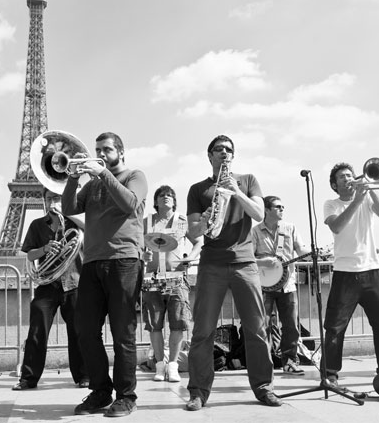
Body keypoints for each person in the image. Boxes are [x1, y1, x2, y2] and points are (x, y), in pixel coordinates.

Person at [185, 135, 282, 411]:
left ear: (233, 156)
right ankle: (198, 392)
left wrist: (236, 191)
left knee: (257, 328)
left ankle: (264, 386)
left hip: (244, 263)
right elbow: (193, 232)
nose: (224, 153)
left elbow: (260, 214)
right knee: (203, 331)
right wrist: (204, 219)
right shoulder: (197, 189)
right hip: (211, 264)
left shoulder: (248, 180)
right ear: (210, 156)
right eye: (219, 150)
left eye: (229, 150)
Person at [62, 132, 147, 417]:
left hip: (124, 261)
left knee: (123, 333)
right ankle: (100, 391)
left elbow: (130, 204)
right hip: (93, 262)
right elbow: (70, 208)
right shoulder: (93, 184)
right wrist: (73, 178)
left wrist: (102, 173)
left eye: (107, 149)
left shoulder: (135, 175)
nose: (101, 153)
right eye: (97, 149)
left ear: (121, 152)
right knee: (85, 329)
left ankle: (126, 395)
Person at [12, 188, 88, 391]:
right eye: (49, 198)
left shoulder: (76, 223)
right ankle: (28, 379)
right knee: (37, 331)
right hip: (47, 284)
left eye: (57, 198)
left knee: (79, 332)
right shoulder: (37, 225)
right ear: (44, 201)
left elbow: (91, 230)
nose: (52, 202)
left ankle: (84, 376)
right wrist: (45, 249)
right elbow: (29, 255)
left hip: (74, 283)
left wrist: (69, 212)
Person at [322, 162, 379, 386]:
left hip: (372, 270)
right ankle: (330, 374)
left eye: (349, 175)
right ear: (335, 185)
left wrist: (370, 189)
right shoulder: (331, 204)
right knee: (335, 327)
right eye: (342, 177)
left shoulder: (367, 199)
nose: (348, 178)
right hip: (345, 273)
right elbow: (337, 227)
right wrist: (357, 200)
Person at [142, 185, 202, 383]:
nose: (166, 197)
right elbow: (136, 246)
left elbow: (199, 241)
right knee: (154, 325)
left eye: (170, 195)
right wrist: (143, 255)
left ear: (174, 201)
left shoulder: (182, 221)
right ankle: (160, 365)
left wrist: (190, 258)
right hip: (152, 278)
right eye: (162, 195)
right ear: (156, 201)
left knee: (178, 323)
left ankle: (173, 366)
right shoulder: (146, 222)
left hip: (176, 278)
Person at [252, 195, 307, 375]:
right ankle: (263, 364)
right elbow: (249, 258)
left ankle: (290, 362)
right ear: (266, 210)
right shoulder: (255, 231)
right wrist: (265, 261)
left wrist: (318, 251)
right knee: (263, 326)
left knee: (291, 325)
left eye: (283, 206)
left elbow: (302, 250)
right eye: (277, 207)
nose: (282, 209)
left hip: (287, 285)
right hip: (264, 286)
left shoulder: (290, 229)